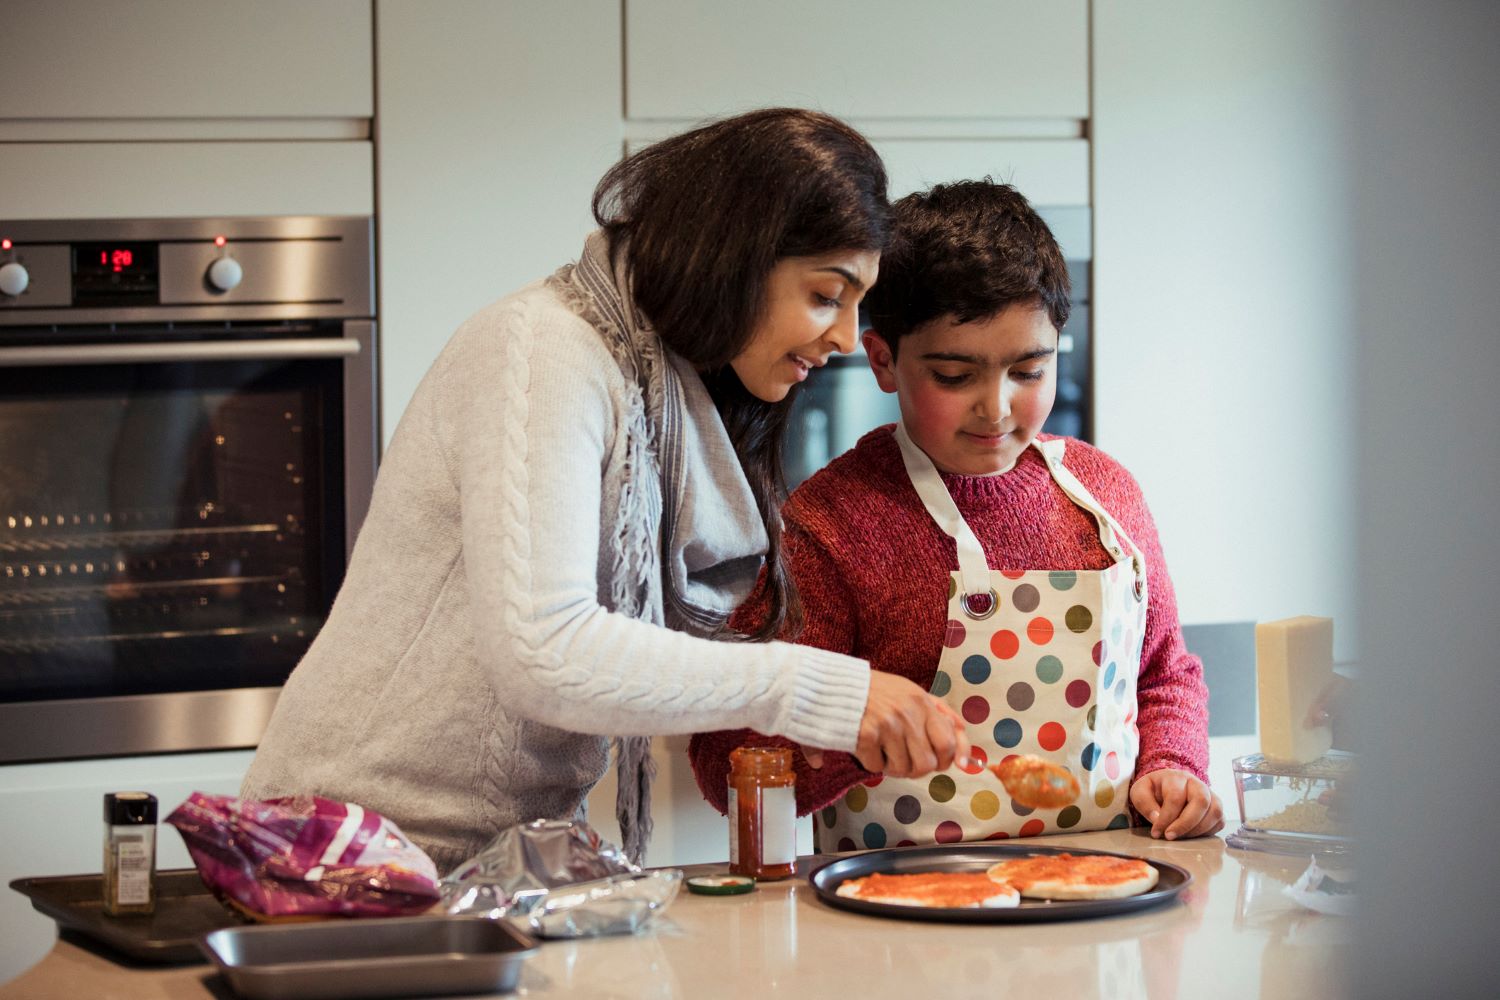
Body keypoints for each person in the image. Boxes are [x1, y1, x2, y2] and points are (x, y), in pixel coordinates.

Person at [241, 109, 970, 872]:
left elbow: (667, 667)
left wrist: (821, 725)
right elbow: (545, 651)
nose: (847, 339)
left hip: (499, 860)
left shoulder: (680, 397)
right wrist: (824, 690)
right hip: (340, 846)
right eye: (827, 295)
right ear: (735, 258)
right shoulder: (543, 350)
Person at [690, 180, 1221, 849]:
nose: (996, 409)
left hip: (1103, 901)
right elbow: (725, 764)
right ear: (884, 360)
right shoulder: (828, 528)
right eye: (954, 376)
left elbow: (1165, 672)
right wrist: (851, 728)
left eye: (1029, 371)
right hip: (897, 925)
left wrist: (1175, 769)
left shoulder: (1105, 493)